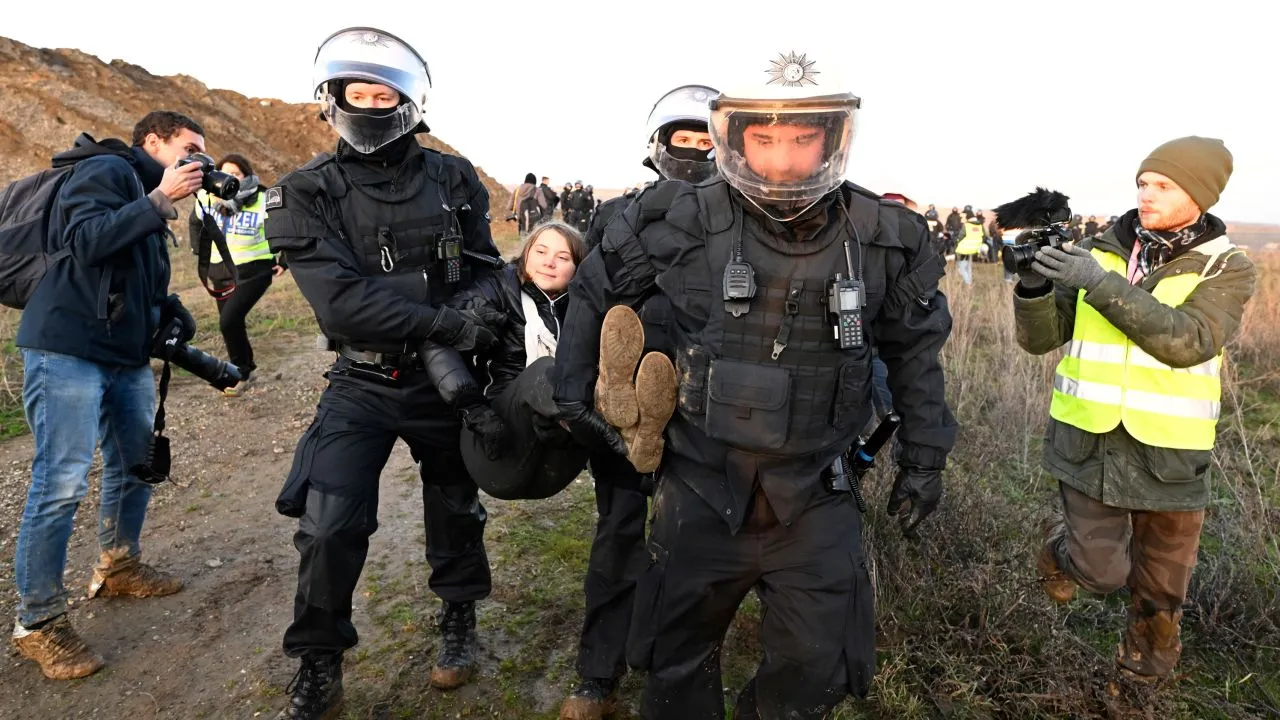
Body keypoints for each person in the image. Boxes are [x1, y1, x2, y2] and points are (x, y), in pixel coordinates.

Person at [553, 51, 956, 719]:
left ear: (834, 139)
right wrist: (573, 394)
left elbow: (914, 353)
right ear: (736, 141)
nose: (783, 159)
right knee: (674, 661)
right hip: (700, 483)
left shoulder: (886, 237)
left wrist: (925, 457)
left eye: (803, 139)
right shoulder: (678, 220)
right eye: (765, 140)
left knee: (818, 667)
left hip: (816, 490)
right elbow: (595, 286)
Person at [264, 28, 507, 720]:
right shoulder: (305, 190)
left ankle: (458, 617)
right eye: (358, 94)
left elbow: (485, 265)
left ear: (410, 102)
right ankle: (319, 663)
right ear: (333, 97)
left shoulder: (453, 177)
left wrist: (480, 313)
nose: (370, 107)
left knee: (456, 507)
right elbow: (341, 302)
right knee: (328, 525)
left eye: (384, 95)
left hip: (447, 381)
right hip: (362, 380)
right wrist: (444, 325)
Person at [1018, 137, 1256, 683]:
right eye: (1143, 183)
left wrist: (1098, 284)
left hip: (1171, 454)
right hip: (1088, 441)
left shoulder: (1227, 267)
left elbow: (1189, 341)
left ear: (1199, 194)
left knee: (1161, 593)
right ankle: (1059, 550)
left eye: (1163, 185)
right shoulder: (1098, 250)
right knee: (1101, 574)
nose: (1146, 194)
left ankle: (1139, 686)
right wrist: (1032, 288)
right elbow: (1040, 339)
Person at [11, 110, 207, 680]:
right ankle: (38, 622)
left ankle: (118, 567)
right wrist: (159, 200)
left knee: (134, 463)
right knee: (61, 479)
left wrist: (171, 311)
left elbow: (133, 279)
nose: (198, 162)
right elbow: (85, 241)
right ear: (154, 142)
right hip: (66, 346)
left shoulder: (145, 196)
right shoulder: (107, 169)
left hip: (122, 353)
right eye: (189, 149)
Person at [562, 83, 719, 720]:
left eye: (709, 141)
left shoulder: (750, 221)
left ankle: (670, 669)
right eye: (685, 138)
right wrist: (574, 392)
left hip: (710, 406)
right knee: (620, 533)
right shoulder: (619, 217)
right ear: (659, 145)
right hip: (627, 406)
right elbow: (587, 301)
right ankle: (598, 672)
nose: (696, 151)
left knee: (694, 545)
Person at [422, 222, 599, 502]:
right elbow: (434, 338)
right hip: (497, 451)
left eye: (563, 257)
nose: (549, 262)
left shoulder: (586, 304)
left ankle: (634, 457)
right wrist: (474, 410)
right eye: (541, 251)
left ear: (578, 268)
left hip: (553, 466)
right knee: (546, 370)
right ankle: (596, 430)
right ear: (526, 254)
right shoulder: (499, 288)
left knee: (593, 376)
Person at [189, 153, 286, 396]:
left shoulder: (263, 199)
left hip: (254, 270)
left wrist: (285, 260)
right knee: (232, 323)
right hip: (219, 270)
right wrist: (198, 249)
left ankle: (240, 374)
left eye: (236, 174)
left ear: (247, 176)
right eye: (225, 172)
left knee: (228, 321)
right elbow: (195, 221)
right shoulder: (207, 196)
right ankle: (246, 367)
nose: (230, 178)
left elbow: (285, 228)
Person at [954, 212, 984, 284]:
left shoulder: (966, 225)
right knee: (968, 266)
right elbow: (984, 236)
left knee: (962, 268)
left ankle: (968, 283)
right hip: (975, 248)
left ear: (968, 218)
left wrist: (957, 241)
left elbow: (960, 236)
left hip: (965, 248)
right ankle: (969, 282)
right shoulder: (980, 225)